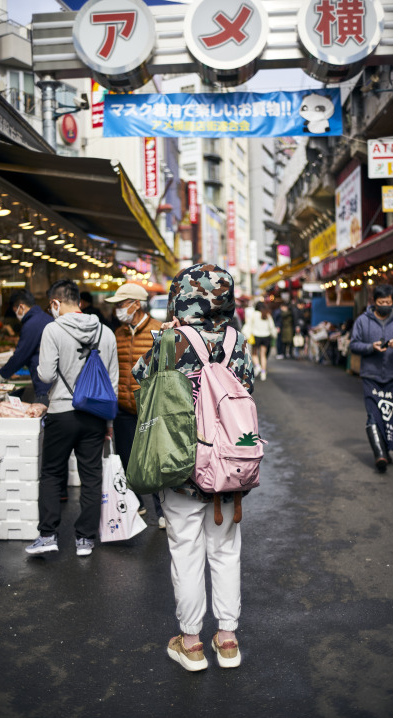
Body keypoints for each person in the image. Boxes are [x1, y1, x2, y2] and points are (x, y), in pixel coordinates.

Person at [132, 263, 254, 672]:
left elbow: (139, 376)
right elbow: (247, 387)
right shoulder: (237, 340)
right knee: (225, 551)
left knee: (185, 550)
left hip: (182, 466)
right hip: (228, 466)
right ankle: (229, 640)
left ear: (181, 297)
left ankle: (191, 643)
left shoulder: (170, 338)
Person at [26, 279, 118, 557]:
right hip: (95, 415)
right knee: (91, 476)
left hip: (61, 413)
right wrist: (109, 424)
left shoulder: (52, 330)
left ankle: (48, 535)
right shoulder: (106, 332)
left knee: (53, 473)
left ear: (55, 303)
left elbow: (46, 375)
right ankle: (85, 540)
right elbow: (112, 383)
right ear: (78, 300)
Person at [104, 283, 164, 526]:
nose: (118, 309)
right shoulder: (117, 334)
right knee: (127, 459)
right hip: (123, 408)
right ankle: (136, 502)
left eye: (121, 304)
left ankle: (162, 511)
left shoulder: (159, 331)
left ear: (136, 304)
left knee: (155, 461)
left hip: (150, 408)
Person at [350, 284, 393, 472]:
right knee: (373, 414)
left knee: (390, 417)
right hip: (371, 375)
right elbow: (354, 345)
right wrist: (371, 347)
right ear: (374, 302)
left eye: (388, 302)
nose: (385, 305)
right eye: (381, 302)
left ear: (392, 301)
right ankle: (379, 454)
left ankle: (386, 450)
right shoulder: (363, 321)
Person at [0, 290, 52, 405]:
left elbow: (20, 356)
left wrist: (0, 376)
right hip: (50, 380)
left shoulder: (32, 324)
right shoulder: (44, 318)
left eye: (15, 310)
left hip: (45, 385)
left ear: (21, 307)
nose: (16, 314)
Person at [244, 301, 276, 380]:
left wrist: (246, 334)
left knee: (254, 354)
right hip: (266, 337)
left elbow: (249, 325)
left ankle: (257, 366)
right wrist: (274, 335)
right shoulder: (267, 315)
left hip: (256, 336)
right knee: (263, 355)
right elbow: (272, 326)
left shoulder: (254, 315)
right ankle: (263, 373)